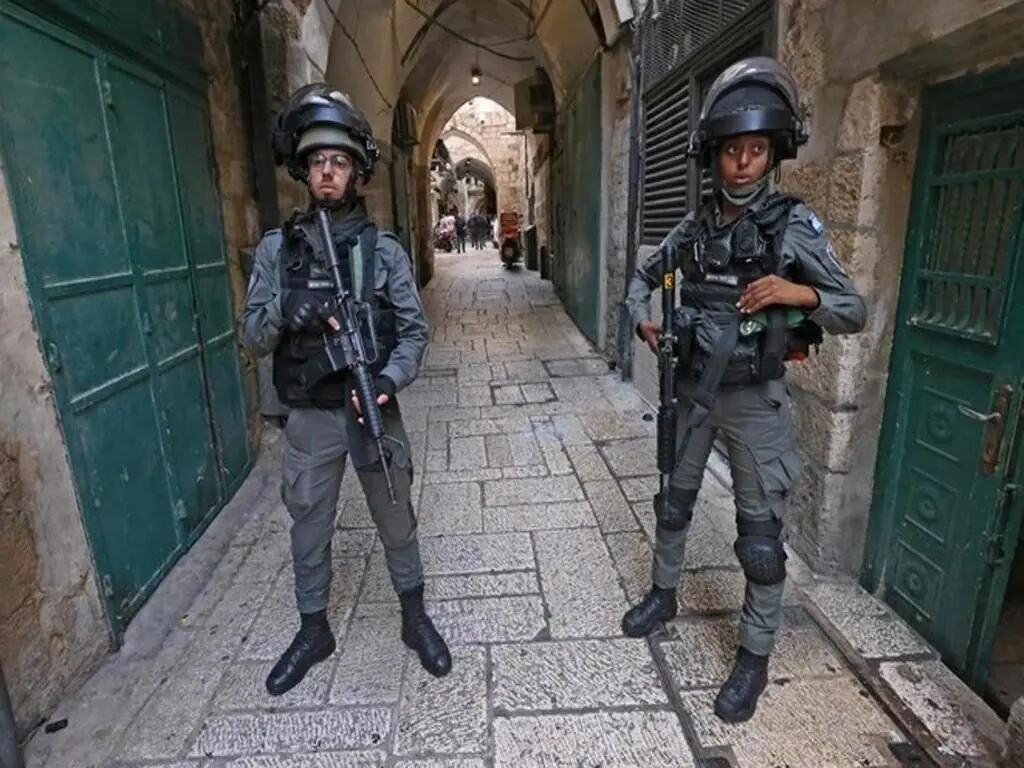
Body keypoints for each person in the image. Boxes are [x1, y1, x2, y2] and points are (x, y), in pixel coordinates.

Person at [622, 57, 867, 724]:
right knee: (673, 505)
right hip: (692, 393)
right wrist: (644, 318)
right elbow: (641, 280)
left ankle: (754, 657)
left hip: (756, 404)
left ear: (773, 152)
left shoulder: (792, 226)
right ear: (716, 156)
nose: (742, 165)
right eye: (732, 151)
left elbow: (853, 309)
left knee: (759, 541)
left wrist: (799, 291)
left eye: (756, 150)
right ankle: (663, 594)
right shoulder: (694, 229)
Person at [242, 83, 452, 697]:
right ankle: (314, 630)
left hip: (371, 408)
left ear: (357, 173)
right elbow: (252, 336)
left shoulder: (381, 250)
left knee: (396, 514)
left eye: (338, 162)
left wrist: (388, 380)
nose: (327, 172)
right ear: (303, 172)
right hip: (311, 417)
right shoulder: (278, 251)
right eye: (316, 163)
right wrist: (289, 306)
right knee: (308, 522)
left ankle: (414, 617)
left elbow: (414, 332)